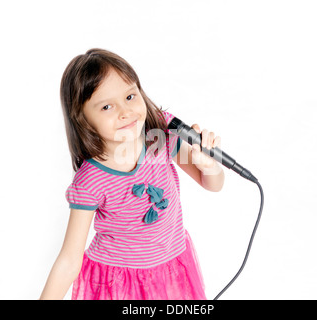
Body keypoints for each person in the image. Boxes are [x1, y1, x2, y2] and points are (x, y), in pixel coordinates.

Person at [39, 48, 225, 300]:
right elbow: (69, 260)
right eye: (106, 106)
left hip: (172, 265)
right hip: (119, 283)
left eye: (129, 96)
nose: (125, 112)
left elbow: (212, 184)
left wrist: (209, 165)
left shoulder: (159, 139)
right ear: (83, 119)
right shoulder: (91, 180)